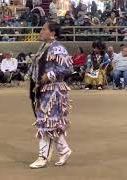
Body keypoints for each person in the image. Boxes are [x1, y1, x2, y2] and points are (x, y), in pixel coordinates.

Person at [28, 21, 73, 169]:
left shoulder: (58, 48)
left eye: (43, 29)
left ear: (52, 33)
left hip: (53, 91)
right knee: (47, 122)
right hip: (43, 89)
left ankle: (43, 157)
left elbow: (67, 68)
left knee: (46, 122)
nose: (41, 31)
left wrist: (50, 75)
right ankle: (63, 149)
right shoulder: (44, 47)